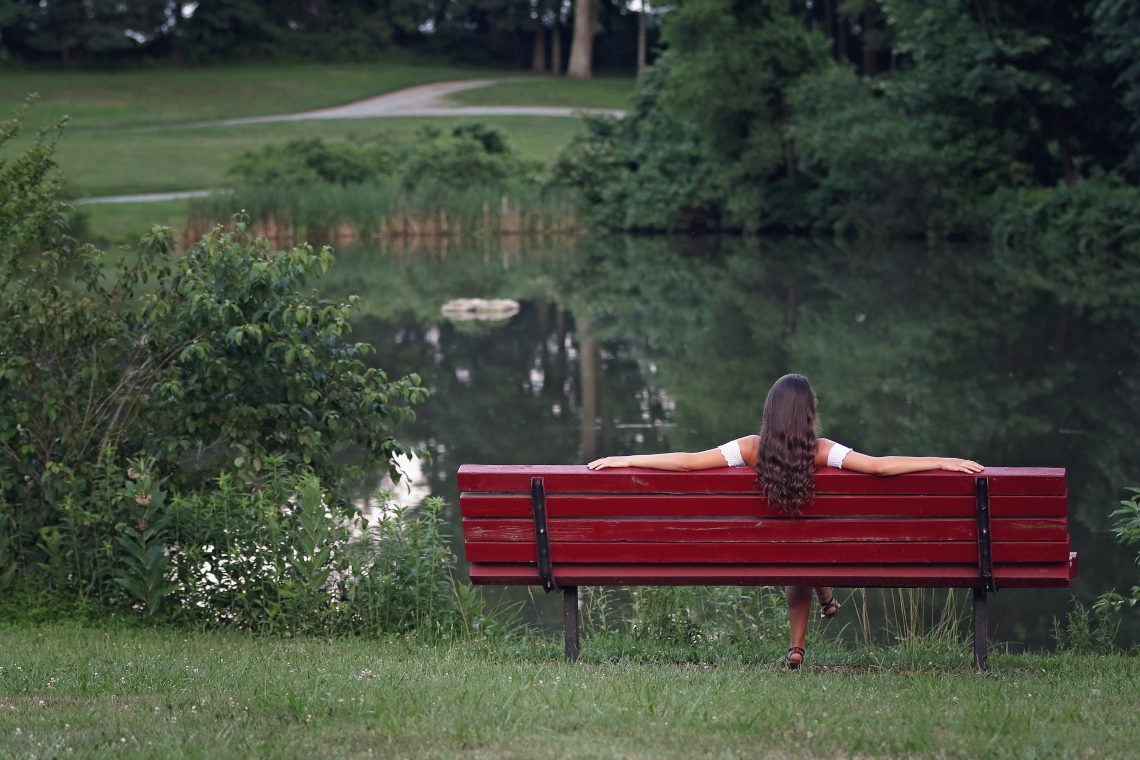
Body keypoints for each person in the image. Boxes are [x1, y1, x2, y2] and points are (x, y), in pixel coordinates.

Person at [587, 373, 983, 669]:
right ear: (809, 413)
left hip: (764, 549)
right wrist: (940, 461)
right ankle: (807, 628)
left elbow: (689, 462)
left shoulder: (750, 448)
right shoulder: (822, 451)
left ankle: (806, 631)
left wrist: (626, 458)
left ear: (770, 411)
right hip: (812, 548)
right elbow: (879, 468)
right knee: (804, 550)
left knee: (795, 549)